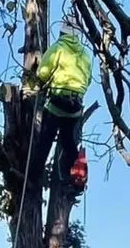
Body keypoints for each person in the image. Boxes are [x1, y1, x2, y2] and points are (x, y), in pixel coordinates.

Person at [34, 19, 92, 189]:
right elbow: (87, 81)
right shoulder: (85, 55)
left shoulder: (58, 47)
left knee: (45, 140)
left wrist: (40, 79)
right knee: (68, 141)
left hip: (57, 102)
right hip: (75, 107)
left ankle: (33, 176)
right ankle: (73, 177)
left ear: (62, 33)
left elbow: (43, 73)